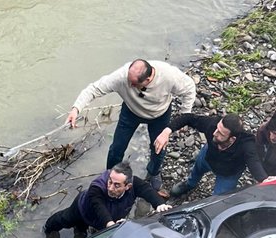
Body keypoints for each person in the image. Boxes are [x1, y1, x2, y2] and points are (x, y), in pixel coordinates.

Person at [66, 58, 197, 191]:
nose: (130, 85)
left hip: (159, 115)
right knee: (116, 149)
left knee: (158, 149)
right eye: (129, 80)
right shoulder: (122, 76)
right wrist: (76, 108)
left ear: (148, 79)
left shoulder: (169, 76)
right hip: (130, 112)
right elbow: (94, 89)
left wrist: (184, 115)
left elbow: (189, 89)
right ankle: (111, 175)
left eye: (134, 83)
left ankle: (153, 172)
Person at [43, 162, 172, 238]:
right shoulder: (97, 188)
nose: (110, 188)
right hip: (83, 209)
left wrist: (160, 204)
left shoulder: (135, 184)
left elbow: (148, 191)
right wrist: (111, 225)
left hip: (109, 218)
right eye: (110, 181)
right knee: (65, 219)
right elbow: (99, 208)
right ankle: (48, 228)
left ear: (128, 186)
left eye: (117, 185)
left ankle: (80, 230)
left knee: (83, 235)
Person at [153, 112, 267, 197]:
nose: (214, 133)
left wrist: (265, 180)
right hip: (207, 157)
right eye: (217, 128)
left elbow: (254, 163)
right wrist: (167, 131)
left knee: (219, 200)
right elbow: (188, 118)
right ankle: (189, 184)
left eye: (221, 134)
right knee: (196, 170)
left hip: (228, 174)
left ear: (232, 139)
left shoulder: (247, 144)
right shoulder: (212, 124)